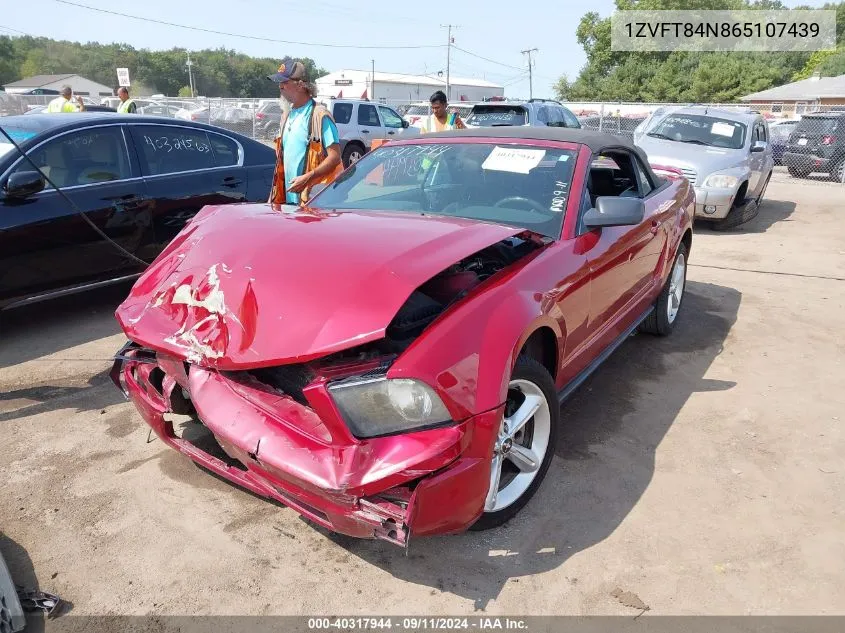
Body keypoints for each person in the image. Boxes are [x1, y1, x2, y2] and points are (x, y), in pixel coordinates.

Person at [267, 57, 342, 206]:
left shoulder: (319, 115)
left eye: (284, 82)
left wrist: (308, 177)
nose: (280, 87)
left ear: (301, 85)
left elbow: (335, 157)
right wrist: (271, 199)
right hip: (288, 204)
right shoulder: (287, 116)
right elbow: (281, 164)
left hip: (313, 204)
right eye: (279, 83)